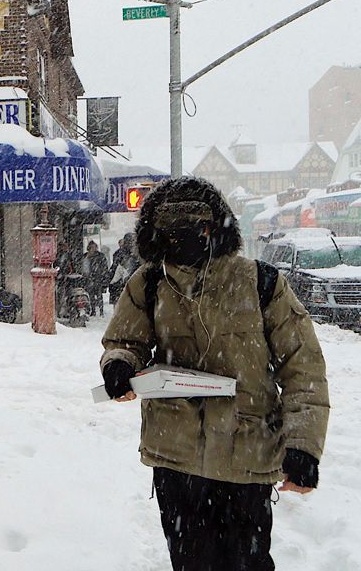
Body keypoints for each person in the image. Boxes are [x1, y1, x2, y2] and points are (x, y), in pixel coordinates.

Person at [99, 176, 329, 571]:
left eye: (193, 229)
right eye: (170, 232)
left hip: (247, 459)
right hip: (176, 460)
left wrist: (304, 447)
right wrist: (120, 364)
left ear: (214, 228)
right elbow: (124, 340)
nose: (182, 240)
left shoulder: (261, 283)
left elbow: (302, 369)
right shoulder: (149, 283)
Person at [107, 232, 139, 304]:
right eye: (132, 241)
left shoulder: (121, 253)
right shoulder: (131, 254)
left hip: (124, 287)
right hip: (125, 286)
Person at [82, 240, 110, 316]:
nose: (93, 249)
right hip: (90, 278)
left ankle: (101, 311)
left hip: (98, 278)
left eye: (94, 247)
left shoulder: (100, 256)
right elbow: (83, 267)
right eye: (91, 247)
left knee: (99, 295)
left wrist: (104, 279)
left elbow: (104, 268)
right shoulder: (86, 256)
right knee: (91, 296)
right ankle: (93, 310)